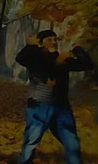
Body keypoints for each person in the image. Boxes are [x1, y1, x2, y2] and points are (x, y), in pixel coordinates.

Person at [16, 30, 93, 164]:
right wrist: (31, 45)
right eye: (49, 40)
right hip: (39, 107)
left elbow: (87, 65)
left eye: (55, 40)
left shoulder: (63, 59)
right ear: (41, 43)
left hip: (62, 108)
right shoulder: (35, 59)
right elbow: (21, 58)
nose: (54, 42)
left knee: (72, 143)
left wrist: (78, 50)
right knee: (30, 143)